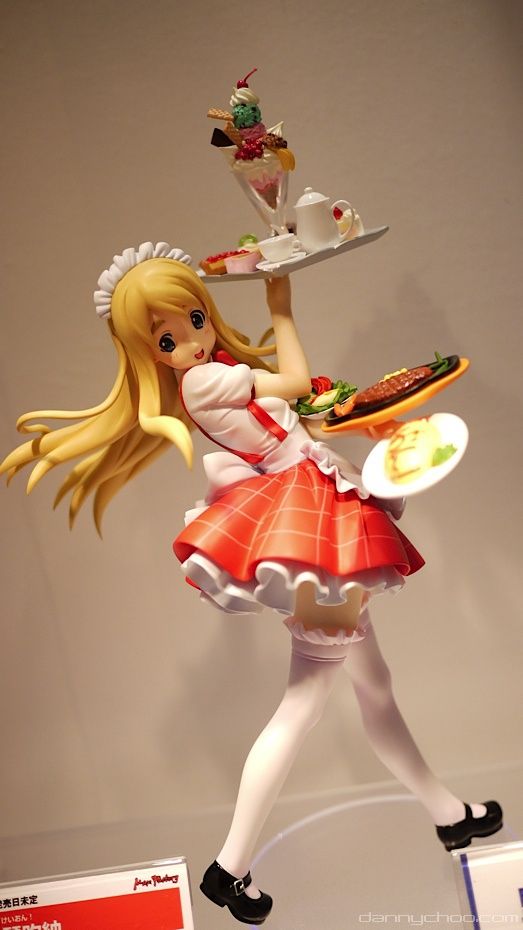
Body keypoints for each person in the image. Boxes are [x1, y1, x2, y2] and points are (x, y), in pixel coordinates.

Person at [1, 242, 502, 926]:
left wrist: (362, 422)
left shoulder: (217, 375)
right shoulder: (202, 383)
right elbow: (292, 382)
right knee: (304, 704)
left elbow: (295, 418)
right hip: (309, 524)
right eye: (168, 339)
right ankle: (229, 868)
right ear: (152, 355)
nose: (191, 341)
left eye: (195, 320)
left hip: (313, 503)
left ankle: (449, 815)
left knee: (374, 687)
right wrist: (279, 301)